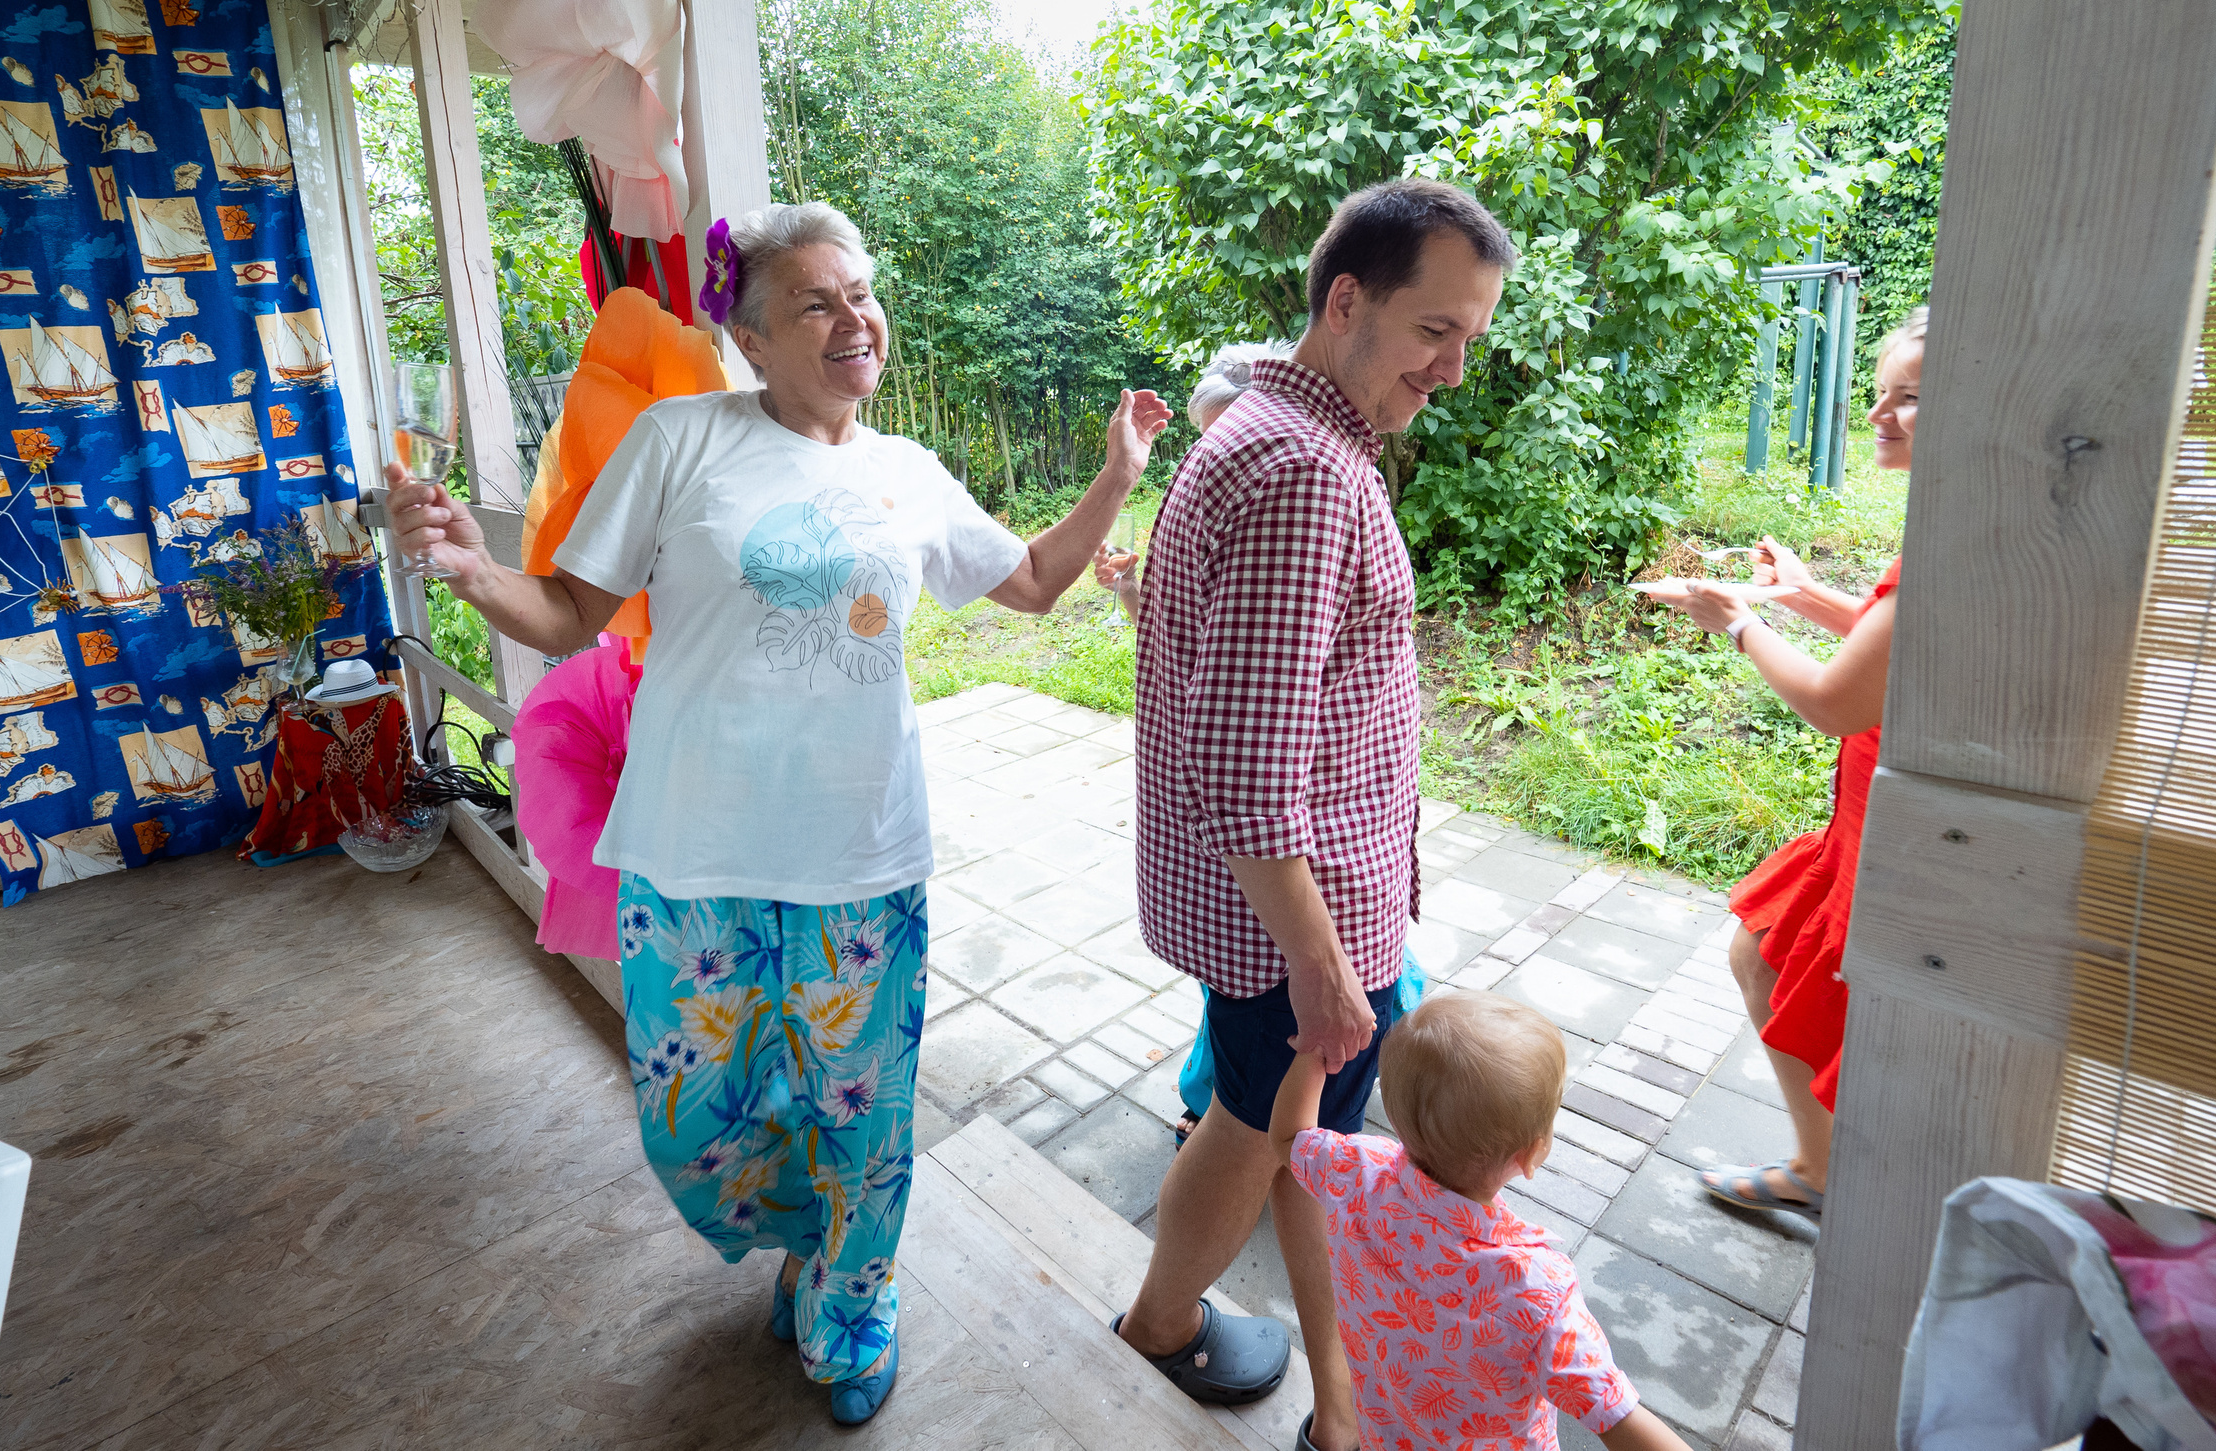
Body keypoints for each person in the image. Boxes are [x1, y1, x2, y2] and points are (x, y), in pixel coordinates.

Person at [386, 201, 1171, 1424]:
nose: (854, 318)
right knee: (699, 1121)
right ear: (750, 338)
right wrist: (465, 566)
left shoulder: (905, 473)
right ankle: (808, 1246)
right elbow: (564, 616)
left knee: (865, 1124)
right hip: (695, 846)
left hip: (859, 853)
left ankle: (852, 1310)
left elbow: (1026, 583)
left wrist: (1116, 477)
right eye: (816, 300)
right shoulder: (677, 440)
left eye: (860, 293)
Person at [1112, 179, 1513, 1451]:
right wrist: (1325, 965)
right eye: (1431, 331)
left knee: (1298, 1135)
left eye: (1468, 337)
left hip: (1285, 909)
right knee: (1253, 1125)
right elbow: (1246, 763)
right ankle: (1163, 1325)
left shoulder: (1269, 438)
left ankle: (1334, 1408)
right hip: (1294, 915)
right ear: (1346, 302)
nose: (1452, 368)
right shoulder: (1302, 473)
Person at [1642, 307, 1924, 1218]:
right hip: (1868, 810)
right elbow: (1888, 648)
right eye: (1881, 391)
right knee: (1762, 951)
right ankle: (1823, 1164)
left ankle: (1840, 1171)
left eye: (1910, 397)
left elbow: (1832, 700)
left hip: (1897, 829)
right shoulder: (1959, 521)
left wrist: (1739, 619)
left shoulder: (1954, 540)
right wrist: (1801, 593)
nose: (1879, 413)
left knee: (1781, 964)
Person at [1273, 993, 1692, 1451]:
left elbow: (1289, 1137)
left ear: (1391, 1113)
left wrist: (1316, 1051)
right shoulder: (1536, 1290)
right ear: (1532, 1155)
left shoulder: (1354, 1172)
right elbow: (1614, 1415)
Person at [1094, 338, 1288, 626]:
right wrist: (1128, 587)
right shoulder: (1203, 509)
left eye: (1235, 445)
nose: (1215, 459)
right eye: (1206, 440)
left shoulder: (1285, 518)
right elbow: (1175, 640)